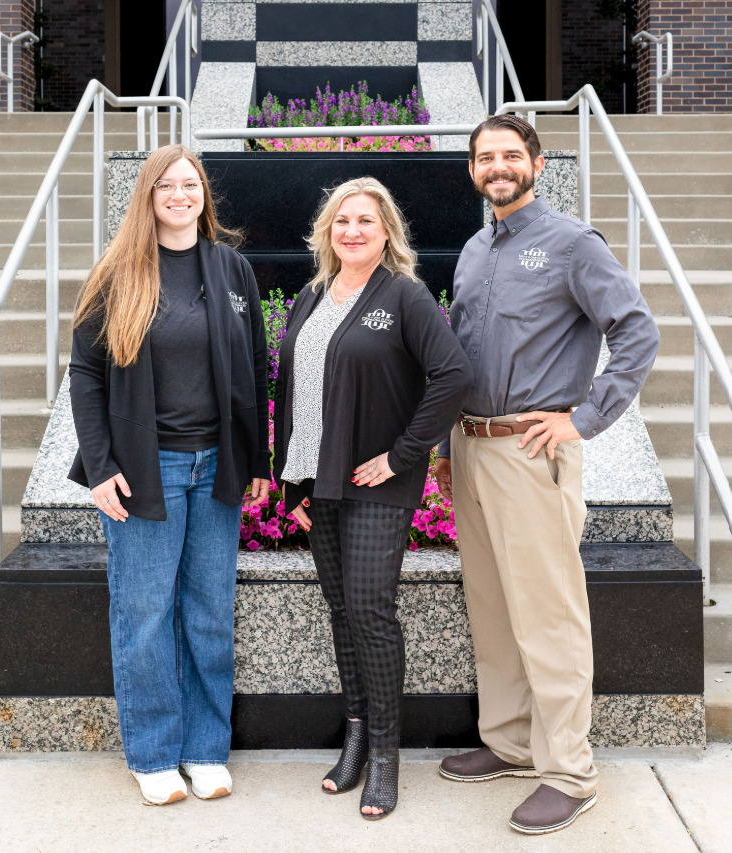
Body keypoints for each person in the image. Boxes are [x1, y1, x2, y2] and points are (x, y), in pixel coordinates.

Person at [435, 115, 660, 834]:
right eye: (484, 157)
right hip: (471, 449)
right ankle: (508, 741)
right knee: (494, 606)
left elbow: (636, 331)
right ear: (473, 169)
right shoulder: (473, 249)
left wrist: (582, 418)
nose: (496, 166)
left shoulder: (570, 243)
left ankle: (567, 770)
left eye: (509, 154)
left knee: (548, 614)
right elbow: (462, 354)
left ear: (535, 162)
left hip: (532, 450)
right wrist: (446, 447)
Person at [68, 144, 271, 806]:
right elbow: (87, 374)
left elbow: (255, 368)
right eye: (166, 186)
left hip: (216, 468)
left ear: (203, 194)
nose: (180, 195)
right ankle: (153, 753)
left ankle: (205, 748)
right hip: (141, 472)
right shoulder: (119, 273)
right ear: (147, 196)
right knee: (145, 614)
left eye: (190, 184)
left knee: (209, 612)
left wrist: (256, 461)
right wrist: (100, 467)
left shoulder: (231, 268)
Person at [274, 177, 471, 820]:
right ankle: (356, 737)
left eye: (364, 220)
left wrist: (402, 454)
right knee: (341, 611)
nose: (352, 231)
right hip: (320, 483)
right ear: (327, 233)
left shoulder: (406, 296)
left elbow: (453, 376)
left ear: (386, 231)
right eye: (341, 222)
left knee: (370, 609)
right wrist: (292, 480)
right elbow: (294, 391)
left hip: (378, 484)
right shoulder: (309, 298)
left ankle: (386, 756)